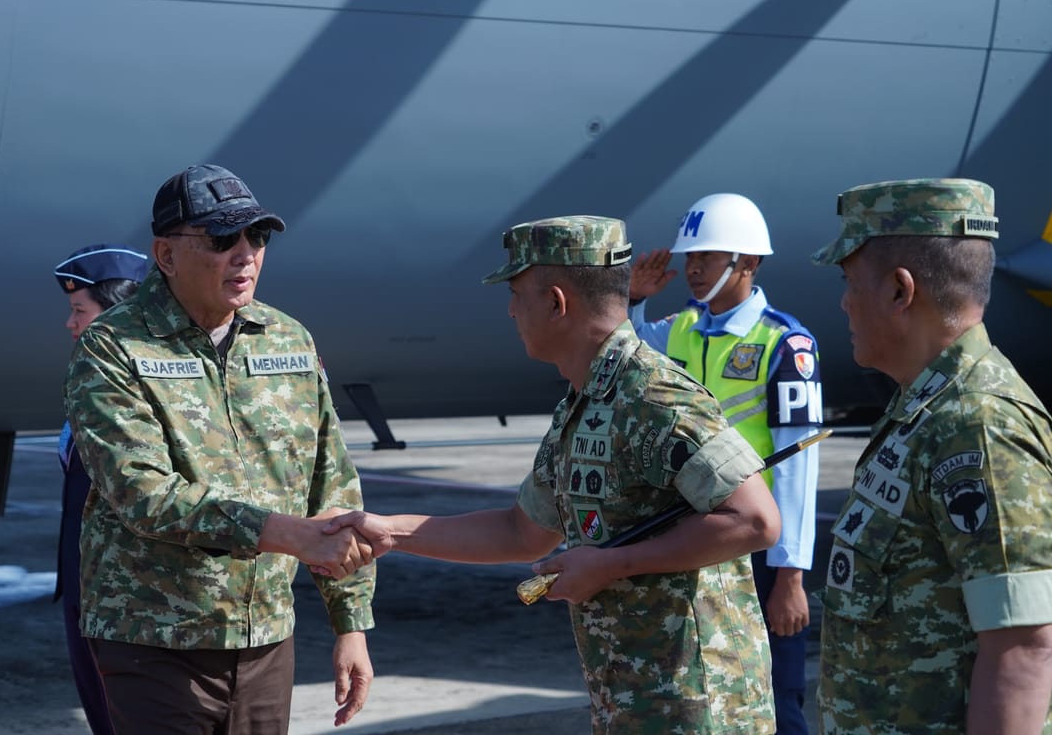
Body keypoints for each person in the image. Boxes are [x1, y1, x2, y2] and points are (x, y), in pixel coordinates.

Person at [326, 215, 781, 734]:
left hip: (698, 706)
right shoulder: (585, 401)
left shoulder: (653, 395)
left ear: (557, 303)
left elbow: (754, 521)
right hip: (635, 699)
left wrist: (613, 564)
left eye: (518, 293)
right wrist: (391, 531)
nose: (511, 310)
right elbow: (522, 531)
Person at [64, 164, 376, 734]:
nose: (246, 254)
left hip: (265, 640)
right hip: (155, 641)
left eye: (257, 237)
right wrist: (283, 533)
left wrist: (349, 623)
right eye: (220, 239)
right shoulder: (114, 347)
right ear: (165, 254)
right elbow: (142, 492)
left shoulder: (286, 338)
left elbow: (331, 483)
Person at [811, 178, 1052, 733]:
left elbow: (1023, 648)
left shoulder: (976, 425)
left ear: (901, 291)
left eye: (849, 281)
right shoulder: (922, 408)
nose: (844, 302)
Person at [627, 192, 823, 734]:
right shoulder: (679, 330)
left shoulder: (785, 343)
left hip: (757, 545)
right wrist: (634, 302)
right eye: (691, 258)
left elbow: (798, 471)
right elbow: (623, 358)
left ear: (748, 262)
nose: (692, 268)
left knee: (777, 697)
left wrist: (790, 577)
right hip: (695, 537)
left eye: (707, 257)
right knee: (701, 691)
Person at [53, 243, 148, 735]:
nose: (70, 325)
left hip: (122, 598)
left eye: (78, 311)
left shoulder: (145, 392)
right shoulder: (89, 383)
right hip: (85, 585)